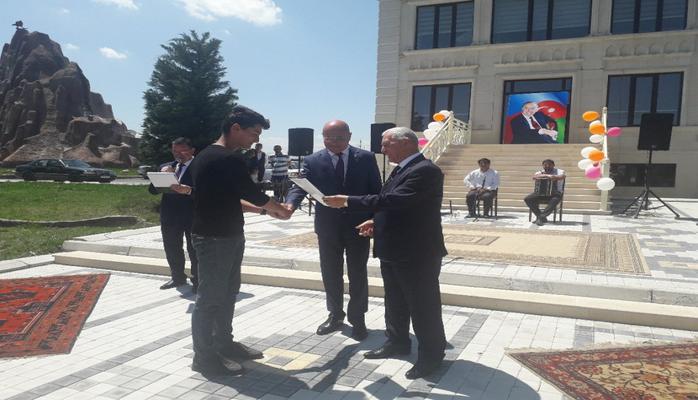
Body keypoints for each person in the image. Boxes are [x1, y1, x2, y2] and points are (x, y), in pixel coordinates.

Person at [324, 127, 447, 380]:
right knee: (395, 301)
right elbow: (393, 204)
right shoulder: (401, 169)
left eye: (387, 144)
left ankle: (432, 356)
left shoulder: (425, 170)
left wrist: (347, 200)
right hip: (393, 249)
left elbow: (396, 201)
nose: (382, 149)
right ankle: (397, 342)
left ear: (406, 143)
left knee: (423, 307)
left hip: (417, 252)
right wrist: (375, 221)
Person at [183, 105, 292, 376]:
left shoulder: (205, 156)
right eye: (253, 133)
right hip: (214, 239)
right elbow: (253, 193)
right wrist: (280, 209)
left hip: (226, 235)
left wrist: (264, 211)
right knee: (210, 299)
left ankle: (224, 343)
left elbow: (228, 198)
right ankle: (204, 358)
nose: (256, 139)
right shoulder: (226, 159)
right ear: (235, 128)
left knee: (228, 293)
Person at [285, 120, 382, 341]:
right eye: (328, 137)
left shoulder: (366, 158)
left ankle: (358, 318)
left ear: (349, 136)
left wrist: (373, 219)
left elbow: (376, 192)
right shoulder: (312, 160)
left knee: (358, 273)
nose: (333, 142)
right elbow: (299, 186)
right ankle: (335, 314)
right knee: (330, 272)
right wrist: (290, 204)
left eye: (339, 137)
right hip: (327, 226)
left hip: (358, 226)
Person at [148, 137, 198, 292]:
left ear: (192, 150)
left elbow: (207, 191)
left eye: (183, 150)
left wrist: (188, 190)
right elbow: (152, 190)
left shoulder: (200, 166)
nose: (178, 154)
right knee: (171, 246)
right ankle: (177, 277)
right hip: (170, 214)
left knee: (194, 249)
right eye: (175, 151)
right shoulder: (166, 166)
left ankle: (198, 280)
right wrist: (162, 176)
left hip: (193, 214)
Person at [525, 159, 566, 226]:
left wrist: (553, 176)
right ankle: (541, 217)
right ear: (543, 166)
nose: (547, 166)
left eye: (549, 164)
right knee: (528, 199)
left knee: (555, 200)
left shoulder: (560, 171)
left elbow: (562, 176)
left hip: (555, 193)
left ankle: (541, 217)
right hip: (540, 193)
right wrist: (547, 175)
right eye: (545, 165)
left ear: (553, 165)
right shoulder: (540, 172)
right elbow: (534, 177)